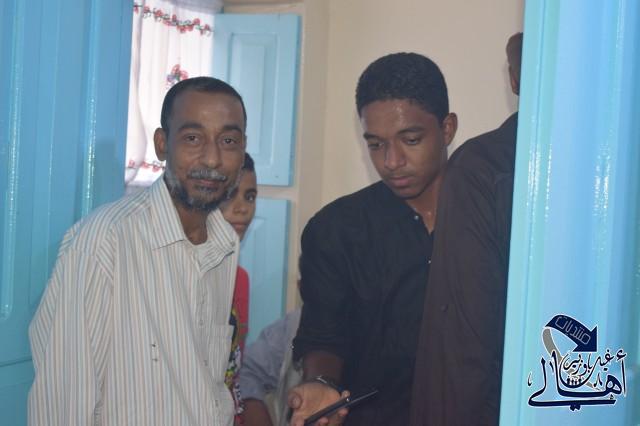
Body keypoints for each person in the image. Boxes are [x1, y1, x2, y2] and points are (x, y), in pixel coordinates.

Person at [28, 76, 247, 426]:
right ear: (162, 145)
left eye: (228, 141)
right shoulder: (104, 242)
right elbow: (63, 404)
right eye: (193, 138)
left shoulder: (224, 244)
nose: (212, 158)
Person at [289, 52, 458, 426]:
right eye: (376, 144)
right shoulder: (335, 230)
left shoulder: (489, 219)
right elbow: (323, 335)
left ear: (447, 129)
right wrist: (321, 384)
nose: (392, 161)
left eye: (410, 139)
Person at [409, 32, 523, 425]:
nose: (393, 160)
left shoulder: (483, 168)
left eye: (411, 139)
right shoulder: (486, 168)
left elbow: (465, 340)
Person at [220, 152, 258, 423]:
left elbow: (234, 370)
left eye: (250, 196)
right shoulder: (184, 275)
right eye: (230, 195)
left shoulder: (240, 279)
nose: (242, 208)